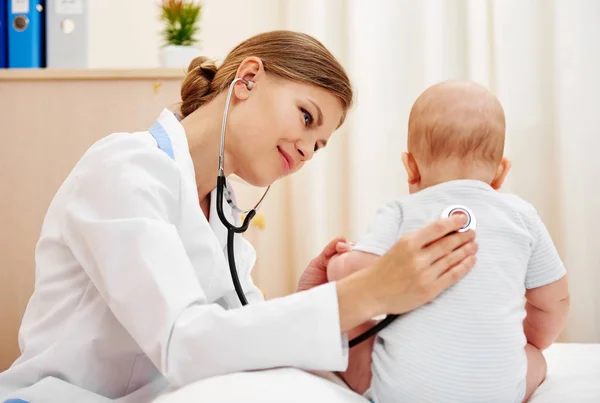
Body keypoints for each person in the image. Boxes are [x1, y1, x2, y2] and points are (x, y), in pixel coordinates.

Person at [0, 32, 478, 402]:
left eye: (320, 145)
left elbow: (232, 342)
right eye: (307, 118)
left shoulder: (223, 216)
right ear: (247, 79)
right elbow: (183, 343)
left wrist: (313, 299)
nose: (309, 150)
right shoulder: (126, 167)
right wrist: (361, 294)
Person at [326, 80, 570, 403]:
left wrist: (337, 263)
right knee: (536, 360)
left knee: (349, 328)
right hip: (497, 393)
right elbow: (555, 300)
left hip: (400, 390)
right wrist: (530, 342)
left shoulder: (401, 211)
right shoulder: (522, 216)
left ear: (410, 167)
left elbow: (361, 275)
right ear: (501, 172)